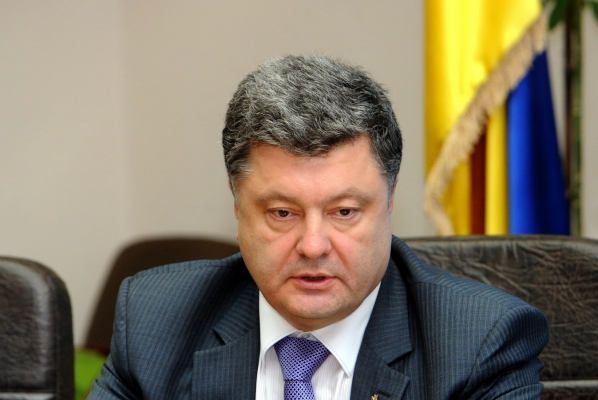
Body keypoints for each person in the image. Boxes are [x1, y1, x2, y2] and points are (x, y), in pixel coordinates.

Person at [88, 55, 548, 399]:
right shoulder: (157, 322)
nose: (312, 246)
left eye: (344, 212)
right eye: (282, 213)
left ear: (390, 200)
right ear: (237, 205)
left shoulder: (478, 343)